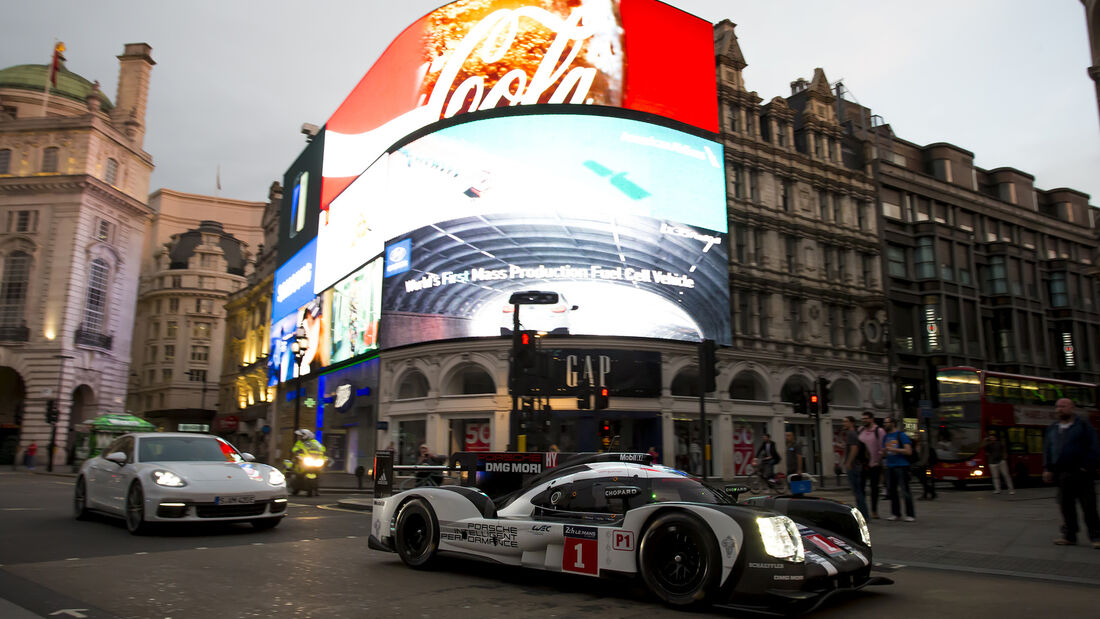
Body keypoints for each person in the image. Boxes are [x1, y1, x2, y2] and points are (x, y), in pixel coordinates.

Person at [1042, 398, 1100, 547]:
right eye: (1057, 406)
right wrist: (1047, 468)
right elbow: (1048, 449)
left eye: (1064, 406)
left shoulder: (1084, 426)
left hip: (1082, 473)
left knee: (1089, 507)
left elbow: (1095, 447)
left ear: (1072, 408)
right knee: (1066, 506)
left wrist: (1087, 466)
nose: (1059, 409)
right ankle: (1069, 536)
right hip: (1062, 473)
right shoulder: (1053, 428)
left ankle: (1096, 537)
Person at [882, 417, 915, 522]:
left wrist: (894, 449)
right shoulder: (886, 437)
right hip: (890, 466)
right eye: (884, 423)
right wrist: (883, 452)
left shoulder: (901, 435)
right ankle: (896, 513)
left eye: (886, 423)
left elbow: (908, 451)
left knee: (905, 491)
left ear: (893, 423)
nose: (884, 425)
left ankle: (910, 514)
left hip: (901, 466)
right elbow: (885, 452)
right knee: (892, 491)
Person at [858, 412, 886, 518]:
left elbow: (882, 448)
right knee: (861, 488)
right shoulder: (860, 430)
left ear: (871, 419)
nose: (864, 420)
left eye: (866, 419)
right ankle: (863, 510)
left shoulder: (879, 431)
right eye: (863, 418)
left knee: (874, 488)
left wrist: (877, 461)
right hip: (862, 465)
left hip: (874, 465)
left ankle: (874, 510)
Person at [842, 416, 869, 519]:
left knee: (857, 492)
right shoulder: (856, 433)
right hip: (858, 465)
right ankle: (864, 514)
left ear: (852, 423)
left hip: (854, 466)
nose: (844, 424)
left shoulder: (851, 433)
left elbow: (854, 449)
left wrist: (849, 462)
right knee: (859, 491)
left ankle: (863, 515)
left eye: (846, 421)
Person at [913, 430, 938, 500]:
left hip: (925, 465)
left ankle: (927, 494)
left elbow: (926, 456)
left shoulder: (925, 444)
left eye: (917, 435)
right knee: (922, 481)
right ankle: (931, 492)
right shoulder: (915, 444)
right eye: (915, 435)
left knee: (924, 481)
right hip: (918, 465)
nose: (915, 436)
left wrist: (920, 464)